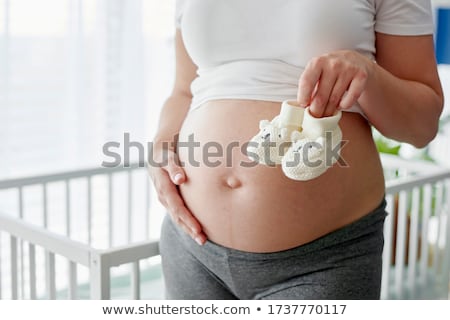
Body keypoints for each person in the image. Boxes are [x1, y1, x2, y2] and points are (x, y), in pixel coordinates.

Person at [149, 0, 443, 299]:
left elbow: (421, 127)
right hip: (192, 249)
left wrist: (367, 73)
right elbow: (184, 91)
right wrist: (161, 146)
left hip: (323, 261)